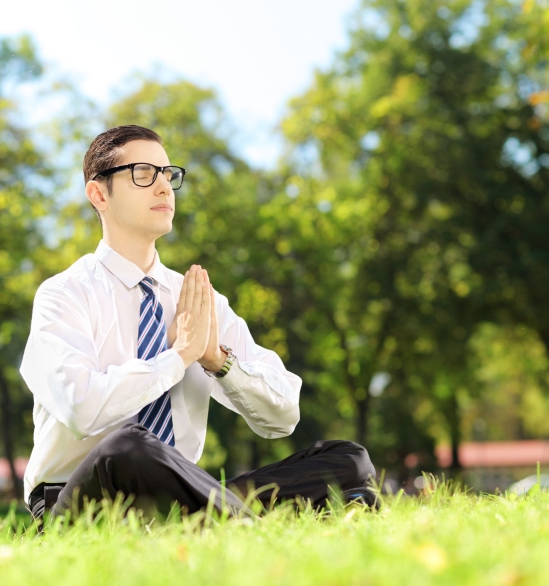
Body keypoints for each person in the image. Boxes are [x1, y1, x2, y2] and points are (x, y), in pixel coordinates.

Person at [19, 125, 377, 521]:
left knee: (348, 460)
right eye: (142, 173)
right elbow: (81, 409)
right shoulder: (64, 294)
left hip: (181, 493)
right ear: (98, 194)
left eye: (168, 174)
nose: (163, 187)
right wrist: (179, 356)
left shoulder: (197, 298)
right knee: (128, 448)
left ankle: (219, 520)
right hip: (83, 500)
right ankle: (248, 522)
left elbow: (283, 416)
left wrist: (216, 361)